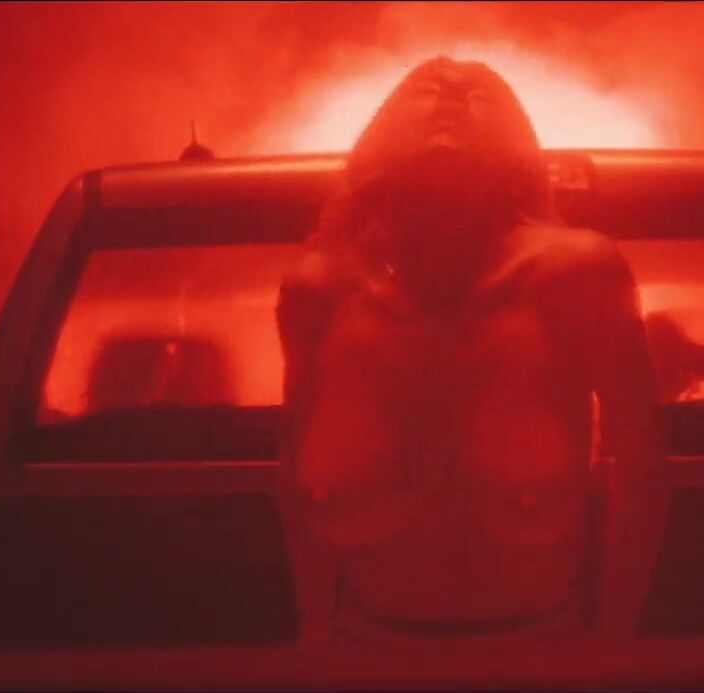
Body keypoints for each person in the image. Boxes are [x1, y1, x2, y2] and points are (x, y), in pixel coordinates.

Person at [275, 56, 667, 650]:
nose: (453, 94)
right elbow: (291, 468)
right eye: (429, 86)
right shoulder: (320, 292)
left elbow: (644, 462)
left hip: (539, 659)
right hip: (364, 659)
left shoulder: (574, 277)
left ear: (515, 150)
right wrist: (314, 630)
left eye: (479, 92)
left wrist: (615, 642)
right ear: (379, 141)